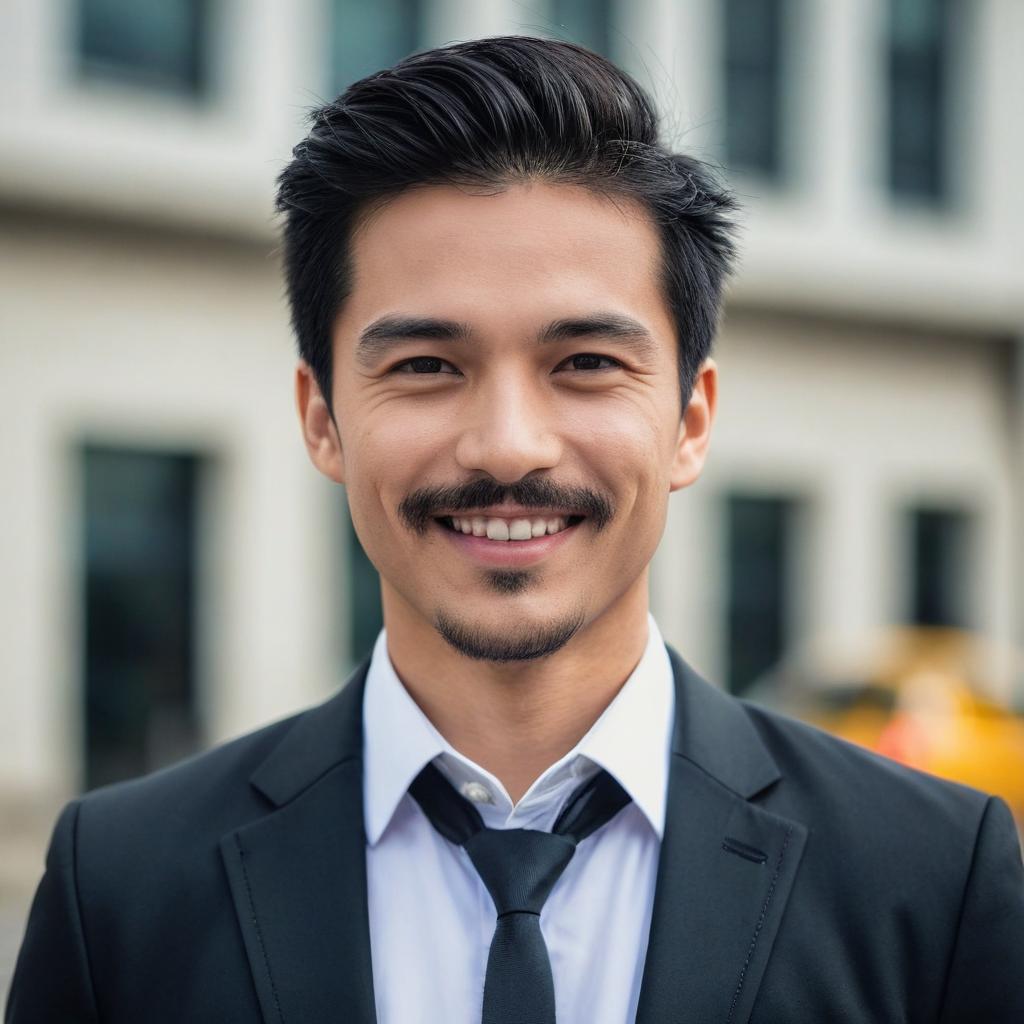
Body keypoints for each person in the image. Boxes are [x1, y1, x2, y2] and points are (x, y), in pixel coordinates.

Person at [7, 35, 1024, 1024]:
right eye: (425, 366)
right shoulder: (124, 886)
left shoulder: (931, 875)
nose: (506, 447)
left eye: (583, 362)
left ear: (690, 419)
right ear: (322, 419)